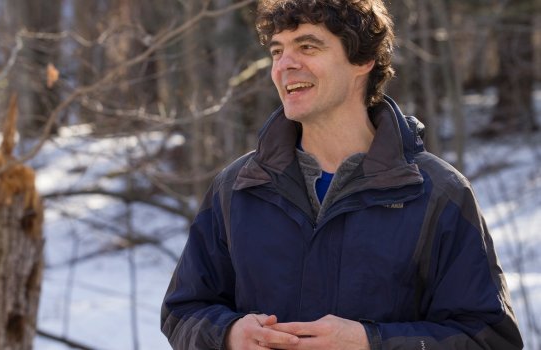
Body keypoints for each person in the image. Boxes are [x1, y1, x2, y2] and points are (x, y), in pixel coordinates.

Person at [161, 0, 523, 349]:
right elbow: (183, 311)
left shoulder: (437, 193)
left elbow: (486, 338)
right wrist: (227, 336)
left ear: (362, 59)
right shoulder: (238, 187)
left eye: (307, 46)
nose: (285, 64)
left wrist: (372, 343)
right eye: (276, 51)